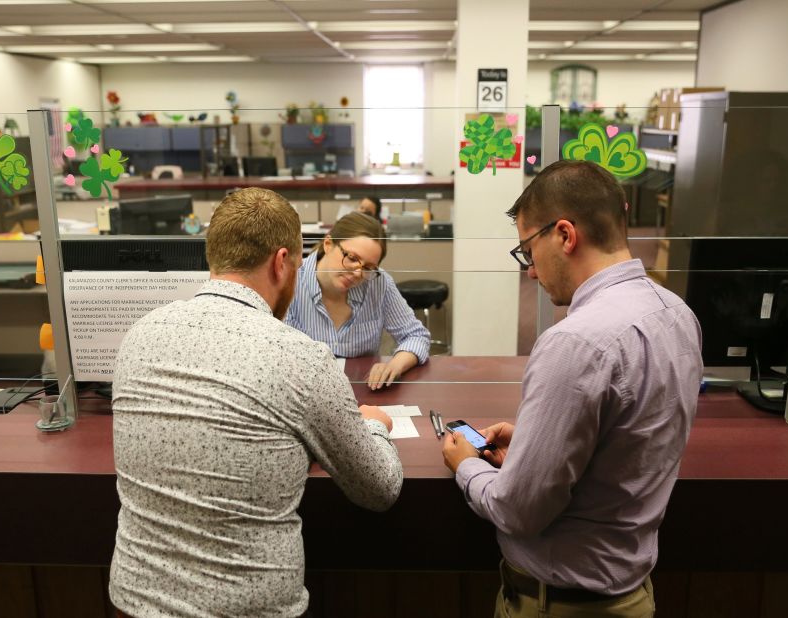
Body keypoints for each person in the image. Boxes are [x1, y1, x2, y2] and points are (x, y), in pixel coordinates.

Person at [109, 187, 403, 618]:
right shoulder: (300, 358)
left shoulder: (138, 336)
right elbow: (379, 489)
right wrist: (374, 425)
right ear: (281, 262)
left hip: (133, 604)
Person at [442, 160, 702, 618]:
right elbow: (626, 440)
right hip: (633, 596)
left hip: (560, 606)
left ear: (564, 235)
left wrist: (466, 466)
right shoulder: (678, 313)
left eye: (527, 250)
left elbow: (518, 510)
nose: (530, 272)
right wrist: (533, 445)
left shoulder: (575, 343)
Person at [285, 212, 430, 390]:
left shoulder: (378, 283)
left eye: (368, 267)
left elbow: (416, 336)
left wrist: (394, 365)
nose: (357, 273)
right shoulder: (290, 281)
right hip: (303, 392)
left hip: (363, 391)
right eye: (352, 258)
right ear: (329, 244)